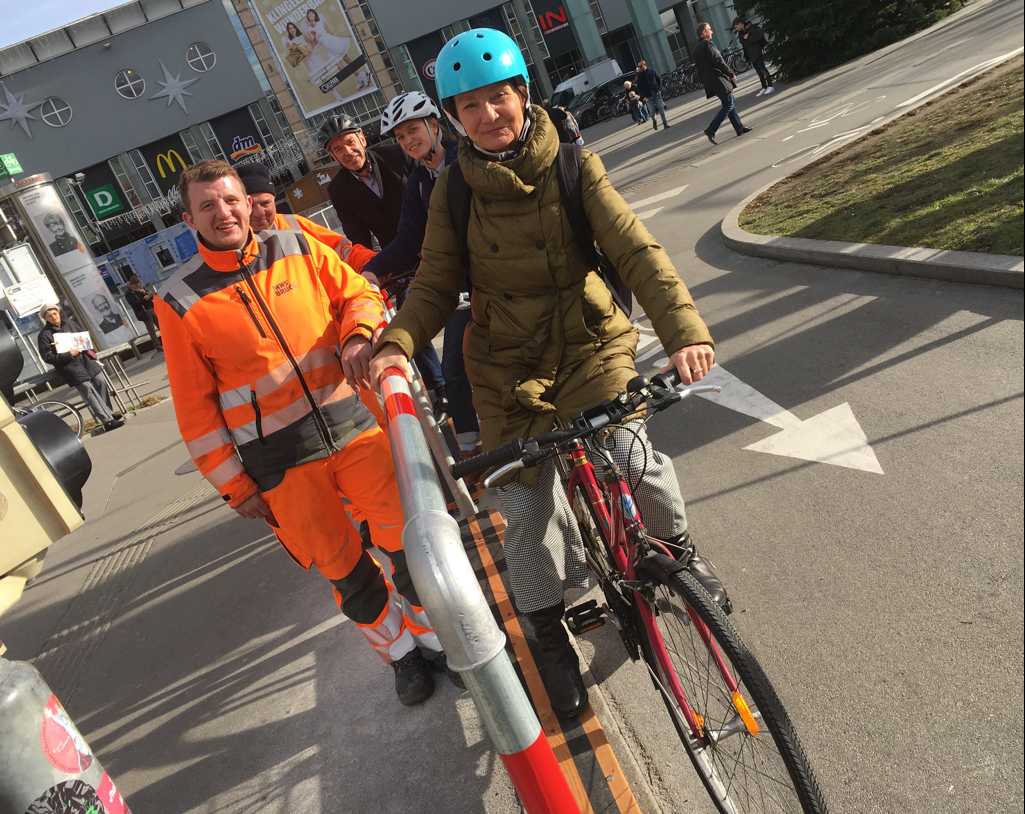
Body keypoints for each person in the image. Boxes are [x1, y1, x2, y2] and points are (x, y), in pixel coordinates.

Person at [368, 29, 727, 719]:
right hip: (507, 369)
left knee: (635, 461)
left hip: (590, 345)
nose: (487, 115)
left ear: (523, 94)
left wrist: (684, 333)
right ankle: (549, 638)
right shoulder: (452, 191)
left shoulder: (572, 164)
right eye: (469, 106)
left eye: (497, 97)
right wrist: (396, 343)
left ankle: (681, 556)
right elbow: (435, 281)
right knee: (528, 517)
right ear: (453, 119)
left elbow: (635, 250)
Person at [155, 159, 455, 706]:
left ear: (247, 202)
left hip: (353, 427)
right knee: (348, 573)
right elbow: (195, 410)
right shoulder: (178, 301)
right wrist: (235, 487)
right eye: (207, 205)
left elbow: (359, 294)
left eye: (230, 200)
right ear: (188, 219)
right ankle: (402, 657)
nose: (223, 212)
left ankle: (437, 642)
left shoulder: (295, 246)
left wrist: (358, 334)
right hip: (281, 465)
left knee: (408, 545)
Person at [359, 92, 480, 456]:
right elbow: (408, 239)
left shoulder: (469, 155)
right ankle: (472, 450)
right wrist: (371, 270)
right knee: (454, 368)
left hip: (499, 270)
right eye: (400, 137)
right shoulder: (418, 184)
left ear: (434, 125)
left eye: (413, 130)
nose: (408, 140)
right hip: (460, 284)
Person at [321, 114, 449, 416]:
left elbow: (432, 197)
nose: (347, 151)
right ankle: (440, 389)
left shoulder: (397, 155)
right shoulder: (338, 189)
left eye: (350, 142)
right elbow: (358, 238)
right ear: (332, 156)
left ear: (362, 138)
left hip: (438, 244)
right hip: (396, 258)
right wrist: (373, 268)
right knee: (407, 317)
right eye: (337, 149)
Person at [235, 161, 376, 275]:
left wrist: (374, 264)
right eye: (250, 206)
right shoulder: (232, 245)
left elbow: (342, 250)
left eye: (265, 203)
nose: (259, 213)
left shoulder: (294, 224)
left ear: (274, 201)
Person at [37, 303, 124, 432]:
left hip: (86, 361)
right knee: (88, 390)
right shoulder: (44, 335)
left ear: (58, 312)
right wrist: (69, 354)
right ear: (45, 318)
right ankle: (107, 421)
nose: (54, 317)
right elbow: (47, 357)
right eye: (49, 316)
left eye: (55, 313)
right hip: (70, 367)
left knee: (101, 382)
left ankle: (109, 413)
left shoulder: (69, 323)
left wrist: (86, 346)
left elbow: (83, 336)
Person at [695, 22, 753, 145]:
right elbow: (718, 61)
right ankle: (711, 130)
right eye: (710, 29)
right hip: (718, 79)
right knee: (728, 104)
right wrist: (731, 73)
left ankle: (739, 127)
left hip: (710, 81)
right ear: (704, 32)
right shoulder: (707, 44)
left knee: (730, 101)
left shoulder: (697, 48)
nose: (712, 32)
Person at [732, 17, 773, 95]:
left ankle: (770, 86)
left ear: (740, 24)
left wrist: (748, 38)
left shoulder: (751, 28)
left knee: (763, 69)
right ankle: (764, 87)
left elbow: (757, 38)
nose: (736, 29)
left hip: (757, 52)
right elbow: (742, 42)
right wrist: (744, 38)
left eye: (736, 27)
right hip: (750, 54)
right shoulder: (741, 33)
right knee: (759, 72)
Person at [124, 275, 162, 351]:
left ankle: (167, 341)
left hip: (152, 308)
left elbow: (149, 297)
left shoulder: (141, 289)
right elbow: (133, 303)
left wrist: (150, 296)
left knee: (161, 326)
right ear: (131, 285)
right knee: (151, 330)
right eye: (135, 284)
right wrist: (143, 299)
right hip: (145, 312)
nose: (137, 286)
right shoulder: (129, 293)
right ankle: (157, 346)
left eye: (138, 284)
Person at [635, 59, 669, 131]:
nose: (639, 68)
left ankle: (665, 123)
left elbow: (658, 79)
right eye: (638, 66)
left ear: (645, 65)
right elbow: (639, 88)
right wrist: (643, 97)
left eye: (641, 66)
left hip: (656, 93)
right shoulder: (639, 76)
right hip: (648, 96)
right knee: (652, 111)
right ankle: (654, 120)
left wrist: (659, 88)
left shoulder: (652, 71)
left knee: (661, 108)